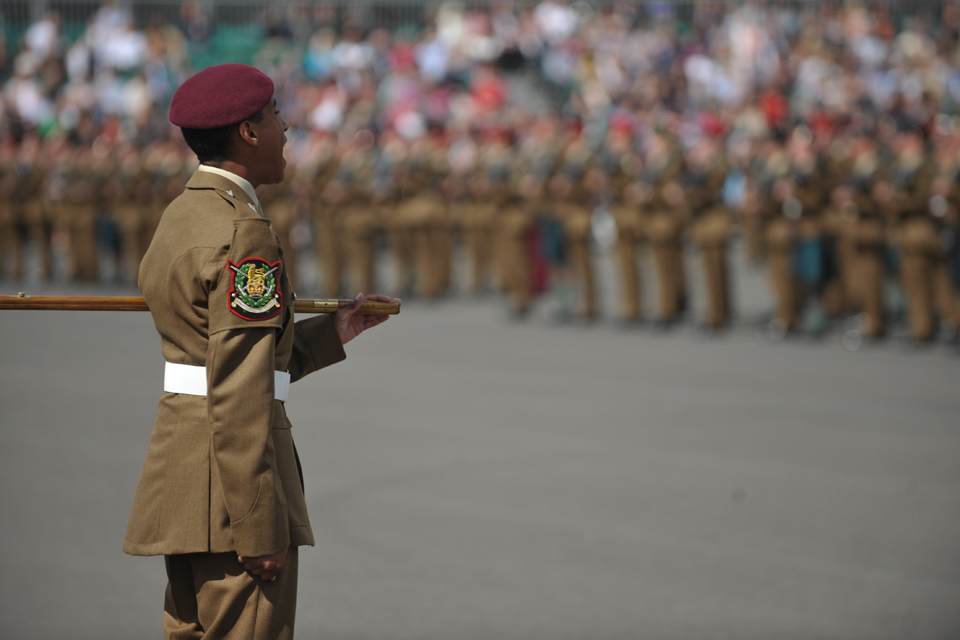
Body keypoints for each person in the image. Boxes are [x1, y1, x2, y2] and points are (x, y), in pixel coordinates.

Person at [123, 63, 397, 640]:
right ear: (248, 131)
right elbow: (241, 389)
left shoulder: (182, 214)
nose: (284, 131)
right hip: (229, 492)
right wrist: (258, 524)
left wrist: (332, 331)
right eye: (275, 118)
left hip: (188, 474)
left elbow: (218, 354)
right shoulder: (241, 230)